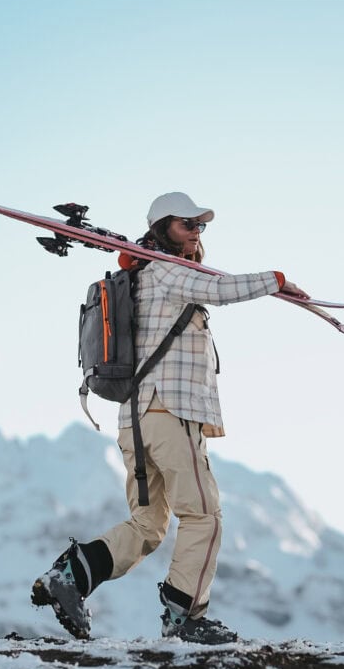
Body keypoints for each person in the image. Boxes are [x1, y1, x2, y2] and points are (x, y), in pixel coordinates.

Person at [31, 191, 309, 644]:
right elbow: (221, 290)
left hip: (136, 420)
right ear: (163, 229)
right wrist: (276, 280)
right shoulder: (169, 270)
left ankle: (68, 577)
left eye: (201, 225)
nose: (197, 232)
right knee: (204, 516)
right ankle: (185, 618)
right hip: (170, 413)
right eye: (187, 224)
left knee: (147, 525)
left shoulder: (144, 275)